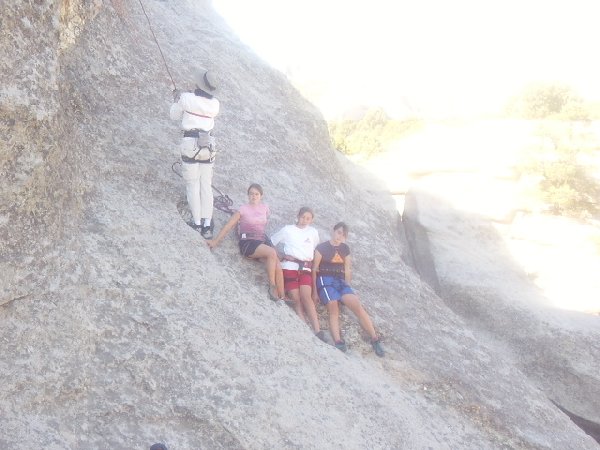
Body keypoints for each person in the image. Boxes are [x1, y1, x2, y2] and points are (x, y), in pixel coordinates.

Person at [312, 222, 384, 357]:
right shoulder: (321, 248)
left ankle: (375, 338)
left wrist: (348, 286)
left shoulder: (345, 249)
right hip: (325, 279)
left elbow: (347, 268)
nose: (340, 236)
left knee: (356, 304)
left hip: (340, 281)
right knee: (333, 306)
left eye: (343, 235)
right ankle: (338, 341)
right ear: (333, 230)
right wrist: (315, 291)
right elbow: (314, 269)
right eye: (339, 232)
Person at [207, 184, 285, 300]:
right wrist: (215, 241)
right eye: (251, 194)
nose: (253, 196)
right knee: (272, 253)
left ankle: (282, 296)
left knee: (277, 264)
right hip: (248, 243)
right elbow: (229, 226)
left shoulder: (265, 208)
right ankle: (272, 286)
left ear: (261, 196)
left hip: (261, 240)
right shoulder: (243, 209)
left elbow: (263, 227)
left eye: (256, 194)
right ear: (248, 195)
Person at [170, 67, 220, 239]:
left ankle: (197, 222)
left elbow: (174, 115)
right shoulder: (215, 104)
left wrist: (177, 99)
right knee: (206, 185)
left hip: (190, 144)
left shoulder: (186, 98)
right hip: (208, 146)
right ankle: (207, 225)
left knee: (192, 184)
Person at [271, 207, 324, 340]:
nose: (304, 220)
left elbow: (315, 249)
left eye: (308, 218)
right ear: (298, 216)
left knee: (307, 297)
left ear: (311, 220)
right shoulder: (287, 229)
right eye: (303, 217)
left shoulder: (313, 232)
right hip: (289, 266)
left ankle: (318, 330)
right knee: (296, 298)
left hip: (305, 267)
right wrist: (278, 257)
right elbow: (271, 242)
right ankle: (304, 328)